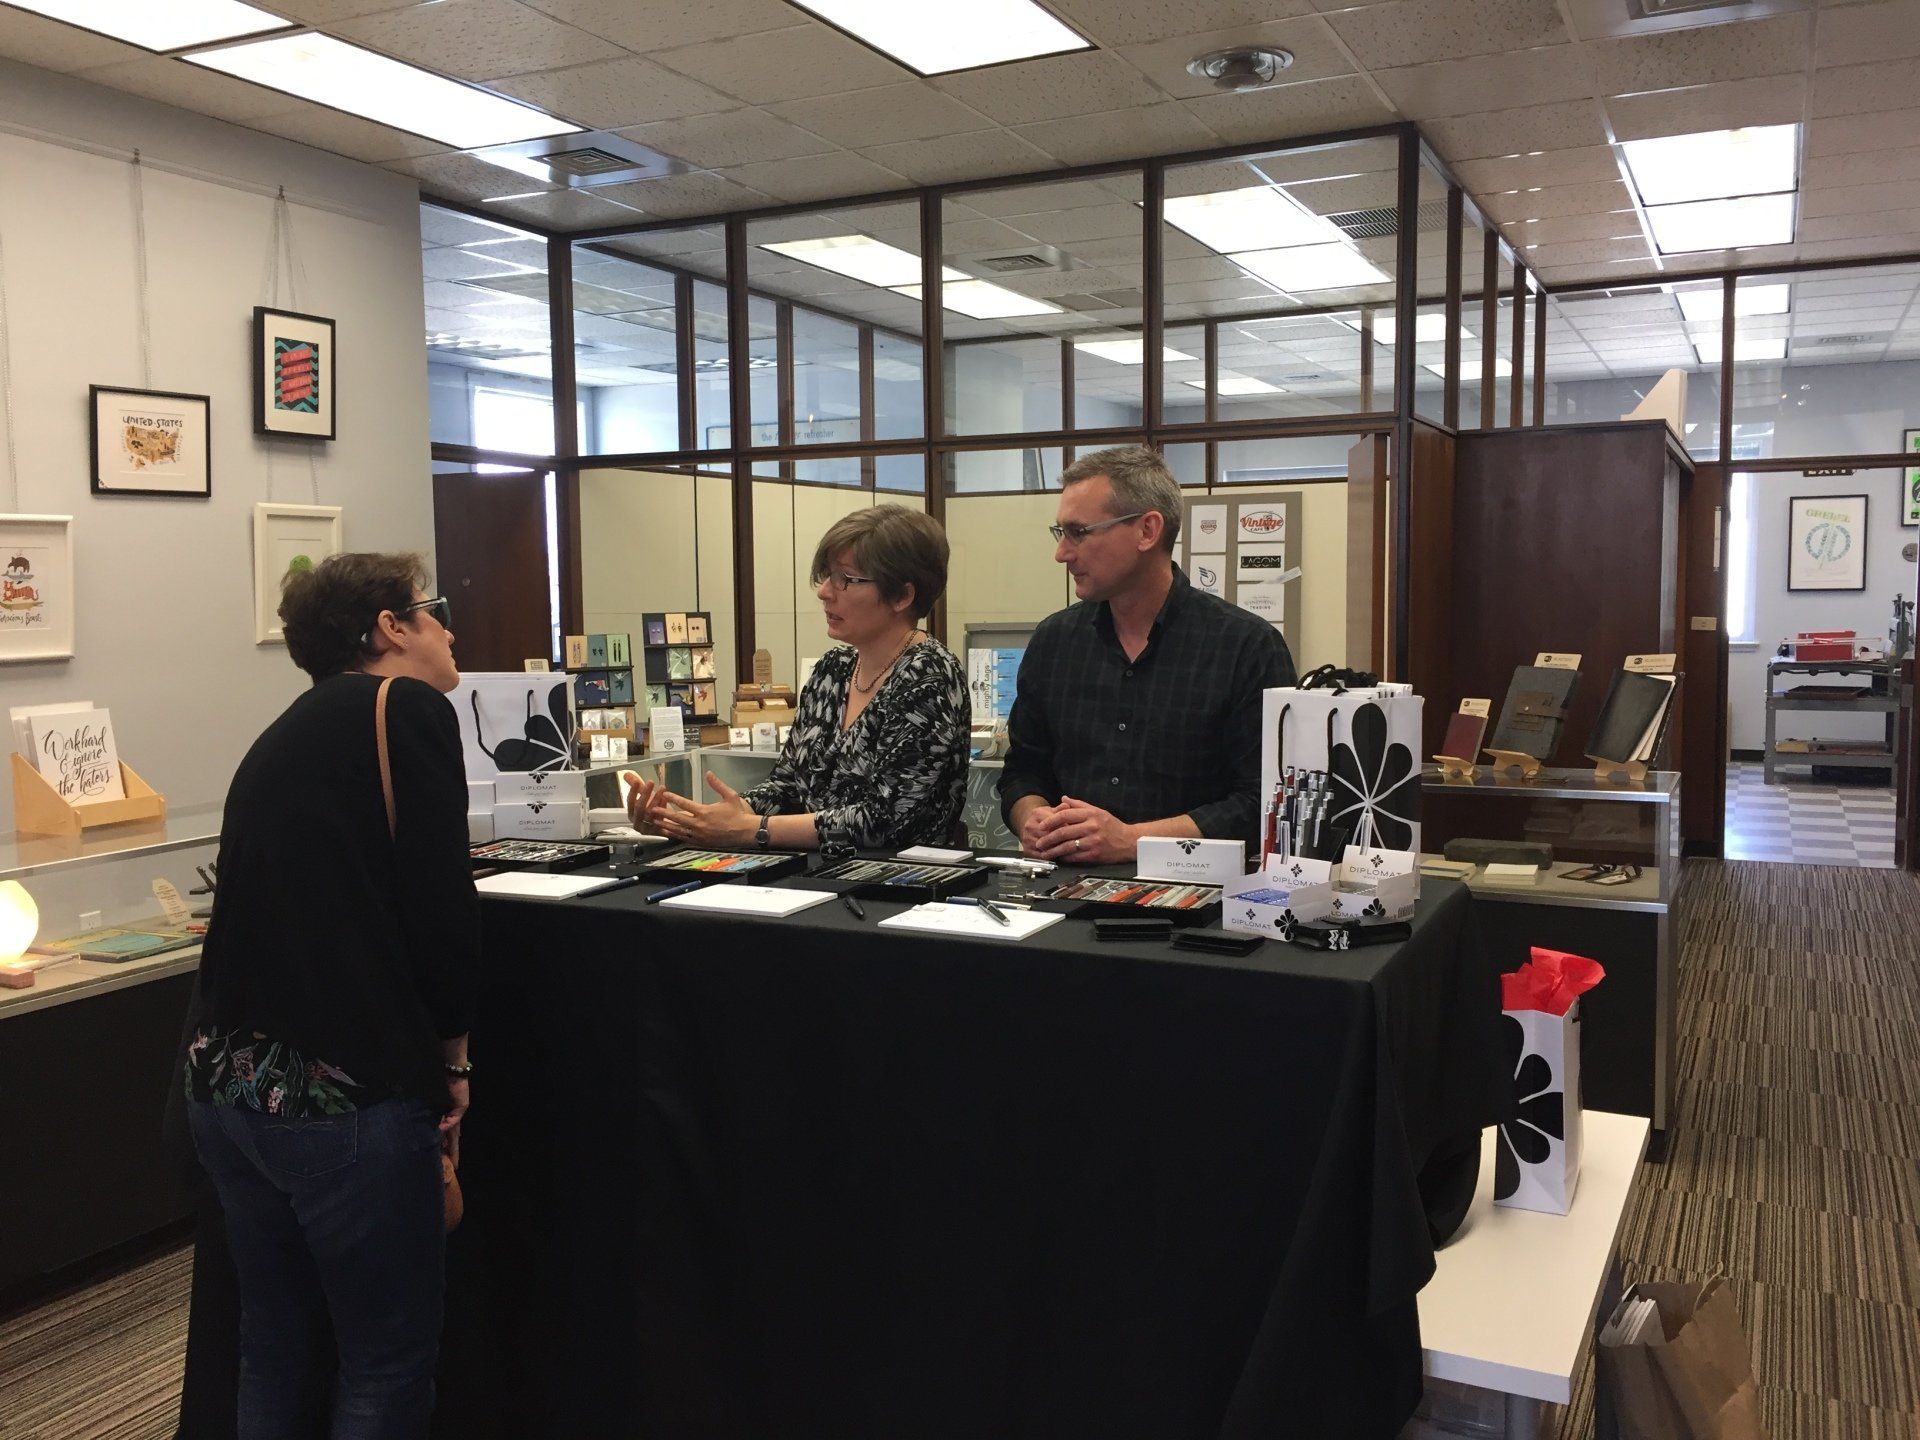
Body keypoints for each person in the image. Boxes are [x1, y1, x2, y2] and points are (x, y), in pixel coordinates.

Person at [185, 551, 478, 1440]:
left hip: (228, 1087)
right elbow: (440, 909)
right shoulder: (409, 710)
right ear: (390, 628)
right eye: (433, 610)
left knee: (274, 1342)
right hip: (342, 1092)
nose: (449, 628)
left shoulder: (281, 733)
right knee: (385, 1362)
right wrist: (454, 1062)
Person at [999, 445, 1297, 864]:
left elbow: (1266, 800)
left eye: (1079, 532)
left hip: (1195, 901)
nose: (1062, 553)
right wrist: (1035, 820)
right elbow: (1023, 770)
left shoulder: (1246, 647)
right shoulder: (1054, 642)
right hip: (1060, 894)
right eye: (1060, 533)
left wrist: (1133, 840)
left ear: (1147, 530)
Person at [629, 505, 969, 851]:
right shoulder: (833, 670)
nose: (824, 591)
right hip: (814, 875)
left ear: (902, 596)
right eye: (826, 576)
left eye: (845, 580)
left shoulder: (928, 675)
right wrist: (700, 820)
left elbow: (886, 820)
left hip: (896, 885)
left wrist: (753, 829)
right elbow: (788, 786)